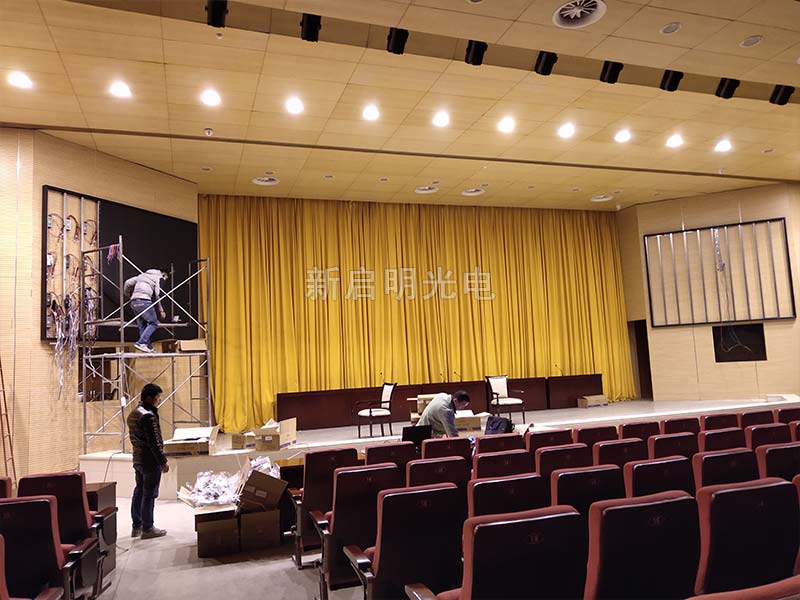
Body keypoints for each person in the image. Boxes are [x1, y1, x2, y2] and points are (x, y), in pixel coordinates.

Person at [127, 382, 169, 539]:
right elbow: (154, 442)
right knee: (149, 494)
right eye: (158, 398)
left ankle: (136, 526)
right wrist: (162, 461)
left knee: (139, 491)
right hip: (150, 461)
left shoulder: (133, 414)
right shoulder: (148, 416)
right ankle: (148, 528)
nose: (159, 401)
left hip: (138, 459)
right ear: (150, 398)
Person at [124, 268, 168, 353]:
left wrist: (128, 295)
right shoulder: (157, 277)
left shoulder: (141, 276)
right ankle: (141, 342)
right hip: (144, 301)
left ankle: (148, 347)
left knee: (142, 325)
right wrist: (161, 310)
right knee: (154, 323)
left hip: (134, 302)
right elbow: (157, 294)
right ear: (163, 274)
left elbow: (127, 283)